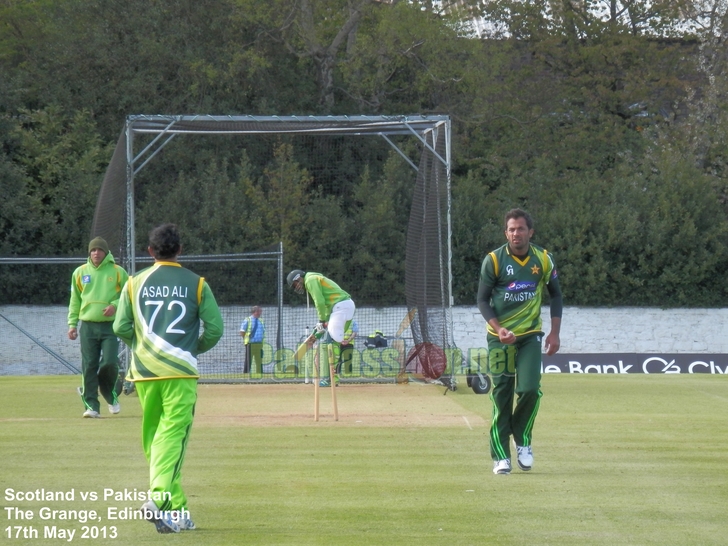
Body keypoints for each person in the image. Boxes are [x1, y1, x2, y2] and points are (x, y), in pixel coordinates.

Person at [113, 224, 223, 533]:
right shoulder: (197, 284)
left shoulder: (134, 283)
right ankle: (159, 499)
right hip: (179, 373)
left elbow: (120, 327)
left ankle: (179, 511)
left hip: (145, 373)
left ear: (150, 251)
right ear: (180, 250)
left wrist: (142, 347)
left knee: (155, 441)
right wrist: (191, 348)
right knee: (173, 438)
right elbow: (214, 329)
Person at [477, 208, 562, 475]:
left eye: (521, 229)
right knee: (501, 394)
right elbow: (482, 300)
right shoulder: (493, 260)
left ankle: (522, 439)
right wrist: (499, 329)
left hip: (530, 338)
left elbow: (556, 295)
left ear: (530, 232)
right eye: (511, 229)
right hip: (499, 339)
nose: (516, 234)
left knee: (529, 390)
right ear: (506, 232)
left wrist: (554, 333)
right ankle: (501, 456)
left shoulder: (544, 259)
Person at [68, 236, 129, 418]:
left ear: (106, 252)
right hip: (87, 327)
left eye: (99, 250)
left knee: (110, 362)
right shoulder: (79, 273)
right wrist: (72, 324)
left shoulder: (118, 272)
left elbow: (128, 296)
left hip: (110, 327)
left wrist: (115, 306)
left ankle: (110, 394)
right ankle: (91, 406)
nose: (96, 253)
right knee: (89, 366)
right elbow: (75, 300)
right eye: (93, 250)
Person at [286, 269, 355, 387]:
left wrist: (321, 320)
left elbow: (320, 301)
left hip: (341, 307)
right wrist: (324, 323)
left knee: (331, 341)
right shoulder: (315, 278)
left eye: (294, 284)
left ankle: (330, 379)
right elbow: (328, 303)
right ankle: (333, 378)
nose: (296, 287)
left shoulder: (310, 280)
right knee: (332, 340)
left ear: (298, 278)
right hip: (342, 306)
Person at [240, 305, 265, 376]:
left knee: (259, 361)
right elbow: (242, 331)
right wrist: (246, 339)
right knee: (248, 360)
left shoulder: (261, 321)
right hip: (250, 344)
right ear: (255, 312)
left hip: (259, 344)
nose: (260, 313)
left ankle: (260, 375)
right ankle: (246, 375)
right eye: (259, 311)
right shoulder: (248, 320)